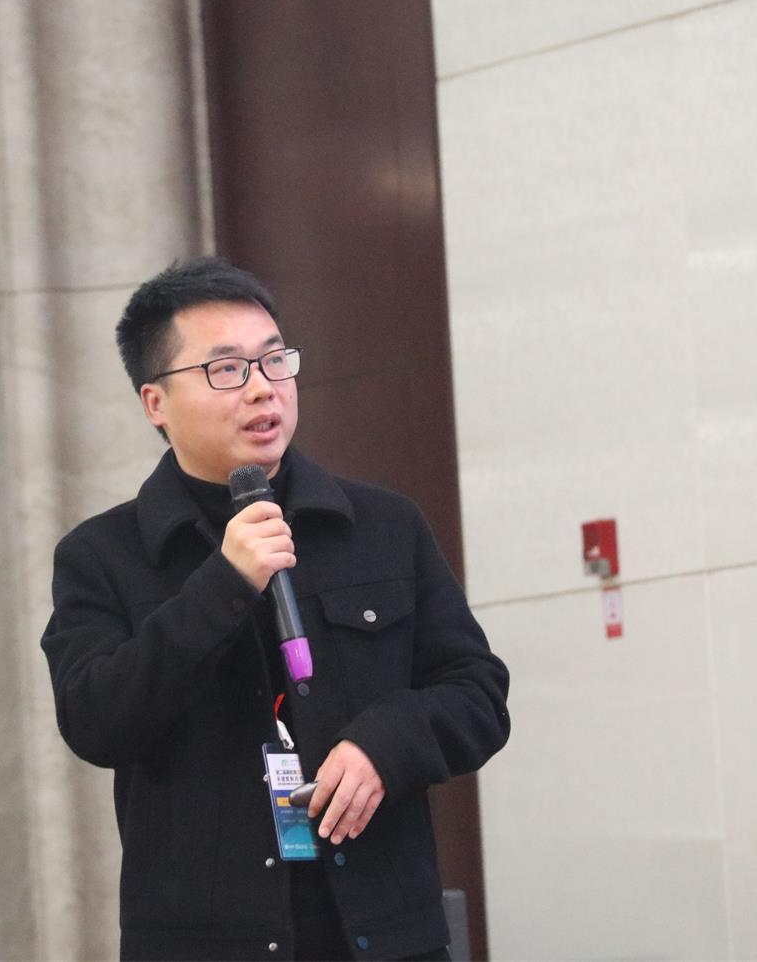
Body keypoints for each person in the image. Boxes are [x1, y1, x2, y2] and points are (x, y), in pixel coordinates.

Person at [42, 258, 510, 961]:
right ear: (155, 402)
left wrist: (386, 745)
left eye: (273, 360)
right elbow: (95, 722)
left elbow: (478, 693)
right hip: (206, 943)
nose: (263, 387)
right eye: (226, 369)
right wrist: (223, 584)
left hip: (384, 933)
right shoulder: (101, 555)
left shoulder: (384, 526)